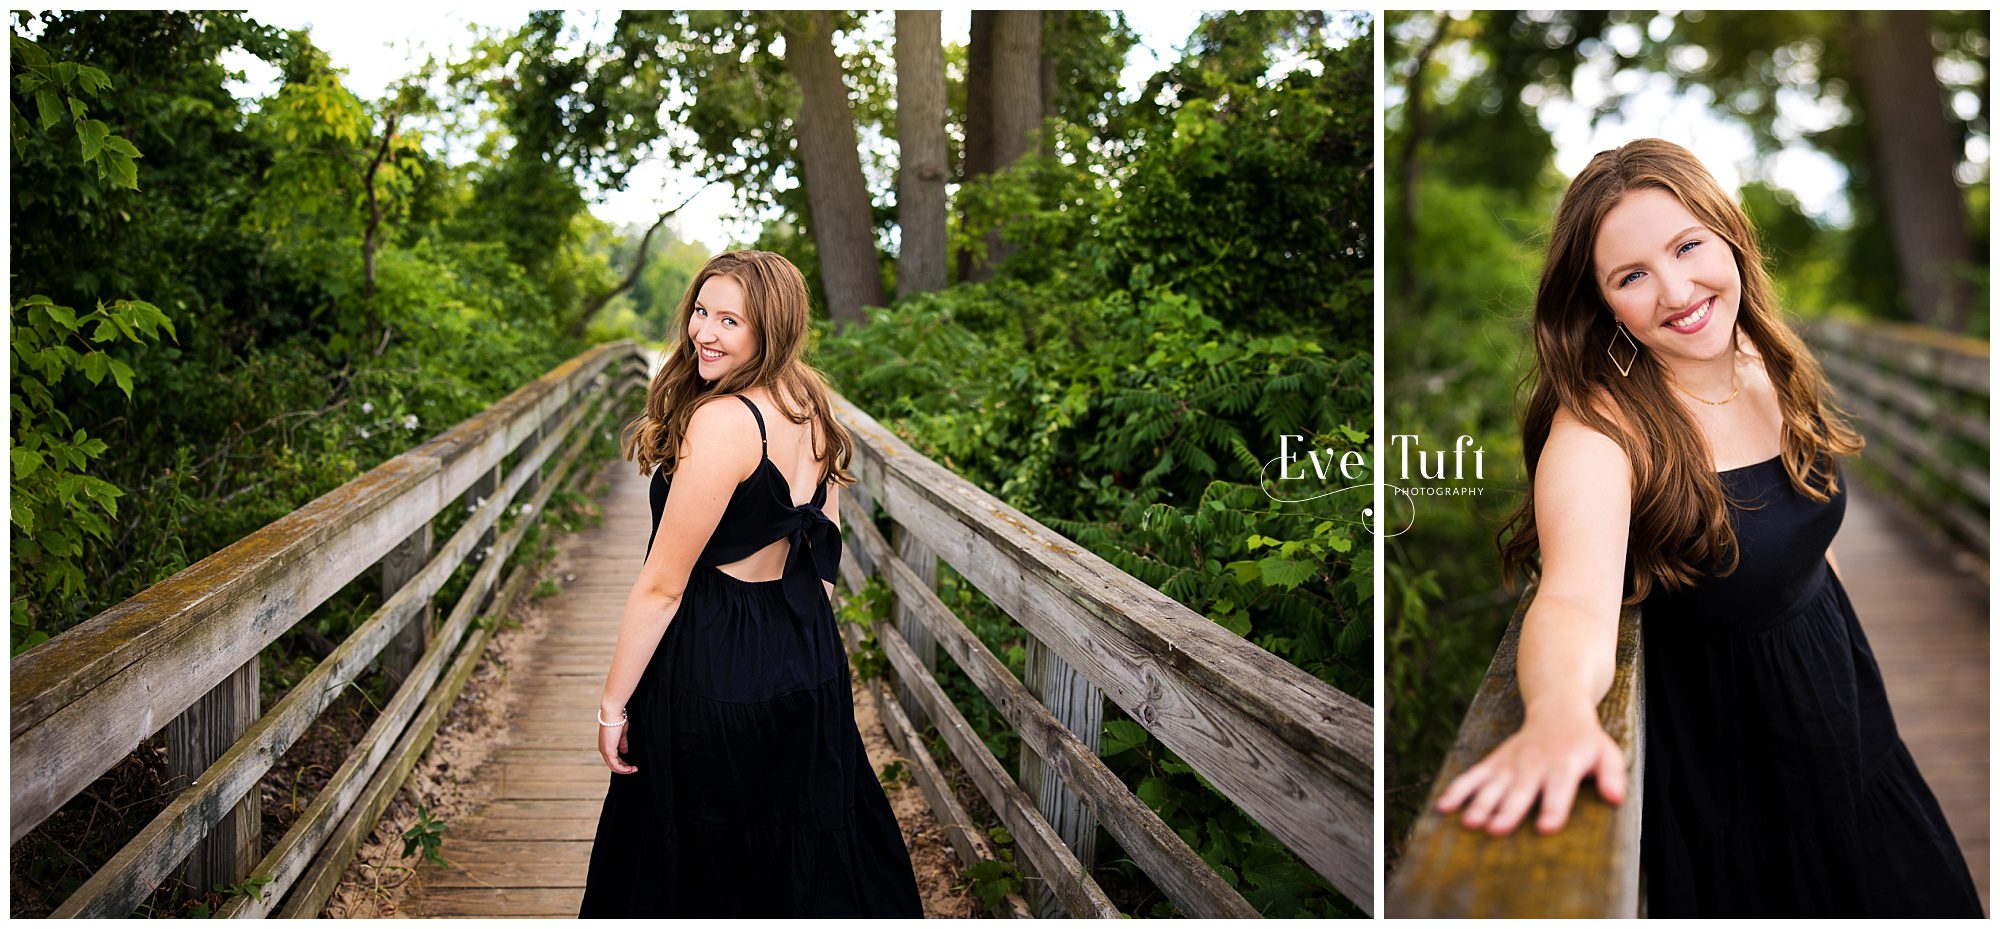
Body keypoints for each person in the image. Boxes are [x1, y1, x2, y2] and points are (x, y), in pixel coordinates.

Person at [1433, 139, 1982, 916]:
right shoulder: (1600, 430)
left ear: (1728, 233)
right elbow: (1574, 601)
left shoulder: (1762, 355)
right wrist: (1557, 714)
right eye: (1632, 275)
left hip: (1850, 722)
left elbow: (1796, 542)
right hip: (1742, 773)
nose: (1676, 289)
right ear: (1601, 303)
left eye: (1688, 244)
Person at [579, 250, 923, 917]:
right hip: (804, 655)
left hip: (712, 659)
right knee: (792, 843)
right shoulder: (812, 405)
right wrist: (795, 644)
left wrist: (613, 707)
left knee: (699, 854)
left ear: (771, 329)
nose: (704, 331)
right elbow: (825, 548)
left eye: (729, 320)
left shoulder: (723, 421)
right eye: (702, 312)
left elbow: (662, 587)